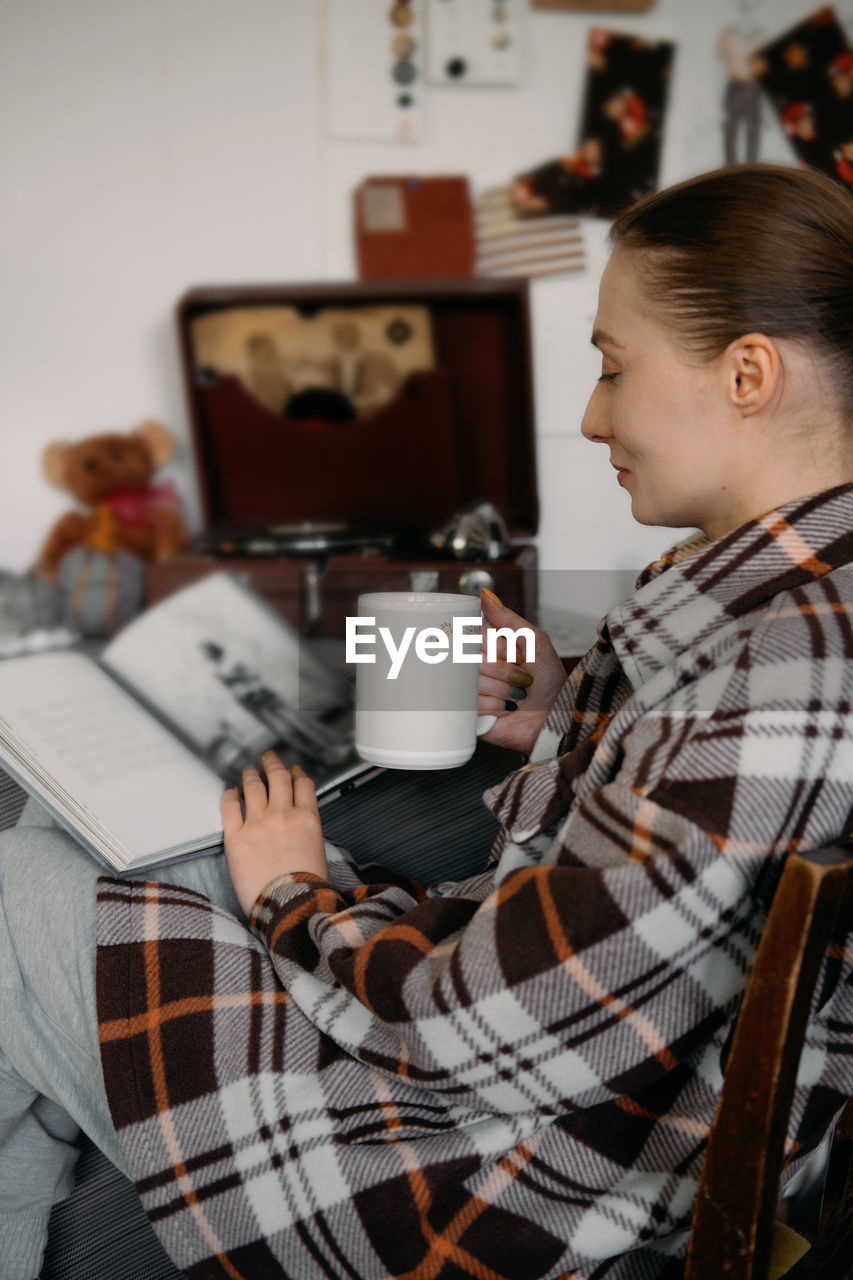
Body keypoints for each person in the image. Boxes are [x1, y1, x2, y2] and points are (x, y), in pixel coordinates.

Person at [2, 162, 853, 1280]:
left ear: (747, 372)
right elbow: (684, 829)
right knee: (59, 834)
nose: (594, 415)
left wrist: (295, 895)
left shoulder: (788, 667)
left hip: (489, 1175)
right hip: (529, 1054)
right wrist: (562, 709)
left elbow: (482, 1029)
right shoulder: (781, 599)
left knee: (15, 880)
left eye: (611, 368)